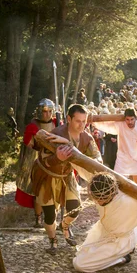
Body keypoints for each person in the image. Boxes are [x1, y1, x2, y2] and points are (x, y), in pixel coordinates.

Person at [31, 103, 101, 252]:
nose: (82, 125)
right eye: (78, 121)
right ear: (69, 119)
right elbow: (44, 160)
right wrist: (57, 158)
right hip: (47, 177)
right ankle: (53, 241)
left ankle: (65, 226)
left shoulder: (86, 138)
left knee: (75, 208)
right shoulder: (55, 134)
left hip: (67, 176)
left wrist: (94, 165)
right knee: (49, 215)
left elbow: (97, 158)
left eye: (84, 121)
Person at [15, 99, 57, 227]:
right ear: (39, 112)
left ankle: (53, 218)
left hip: (55, 161)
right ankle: (38, 217)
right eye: (44, 112)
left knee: (55, 189)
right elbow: (29, 145)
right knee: (38, 191)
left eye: (50, 111)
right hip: (38, 162)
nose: (47, 114)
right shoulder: (33, 126)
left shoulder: (57, 124)